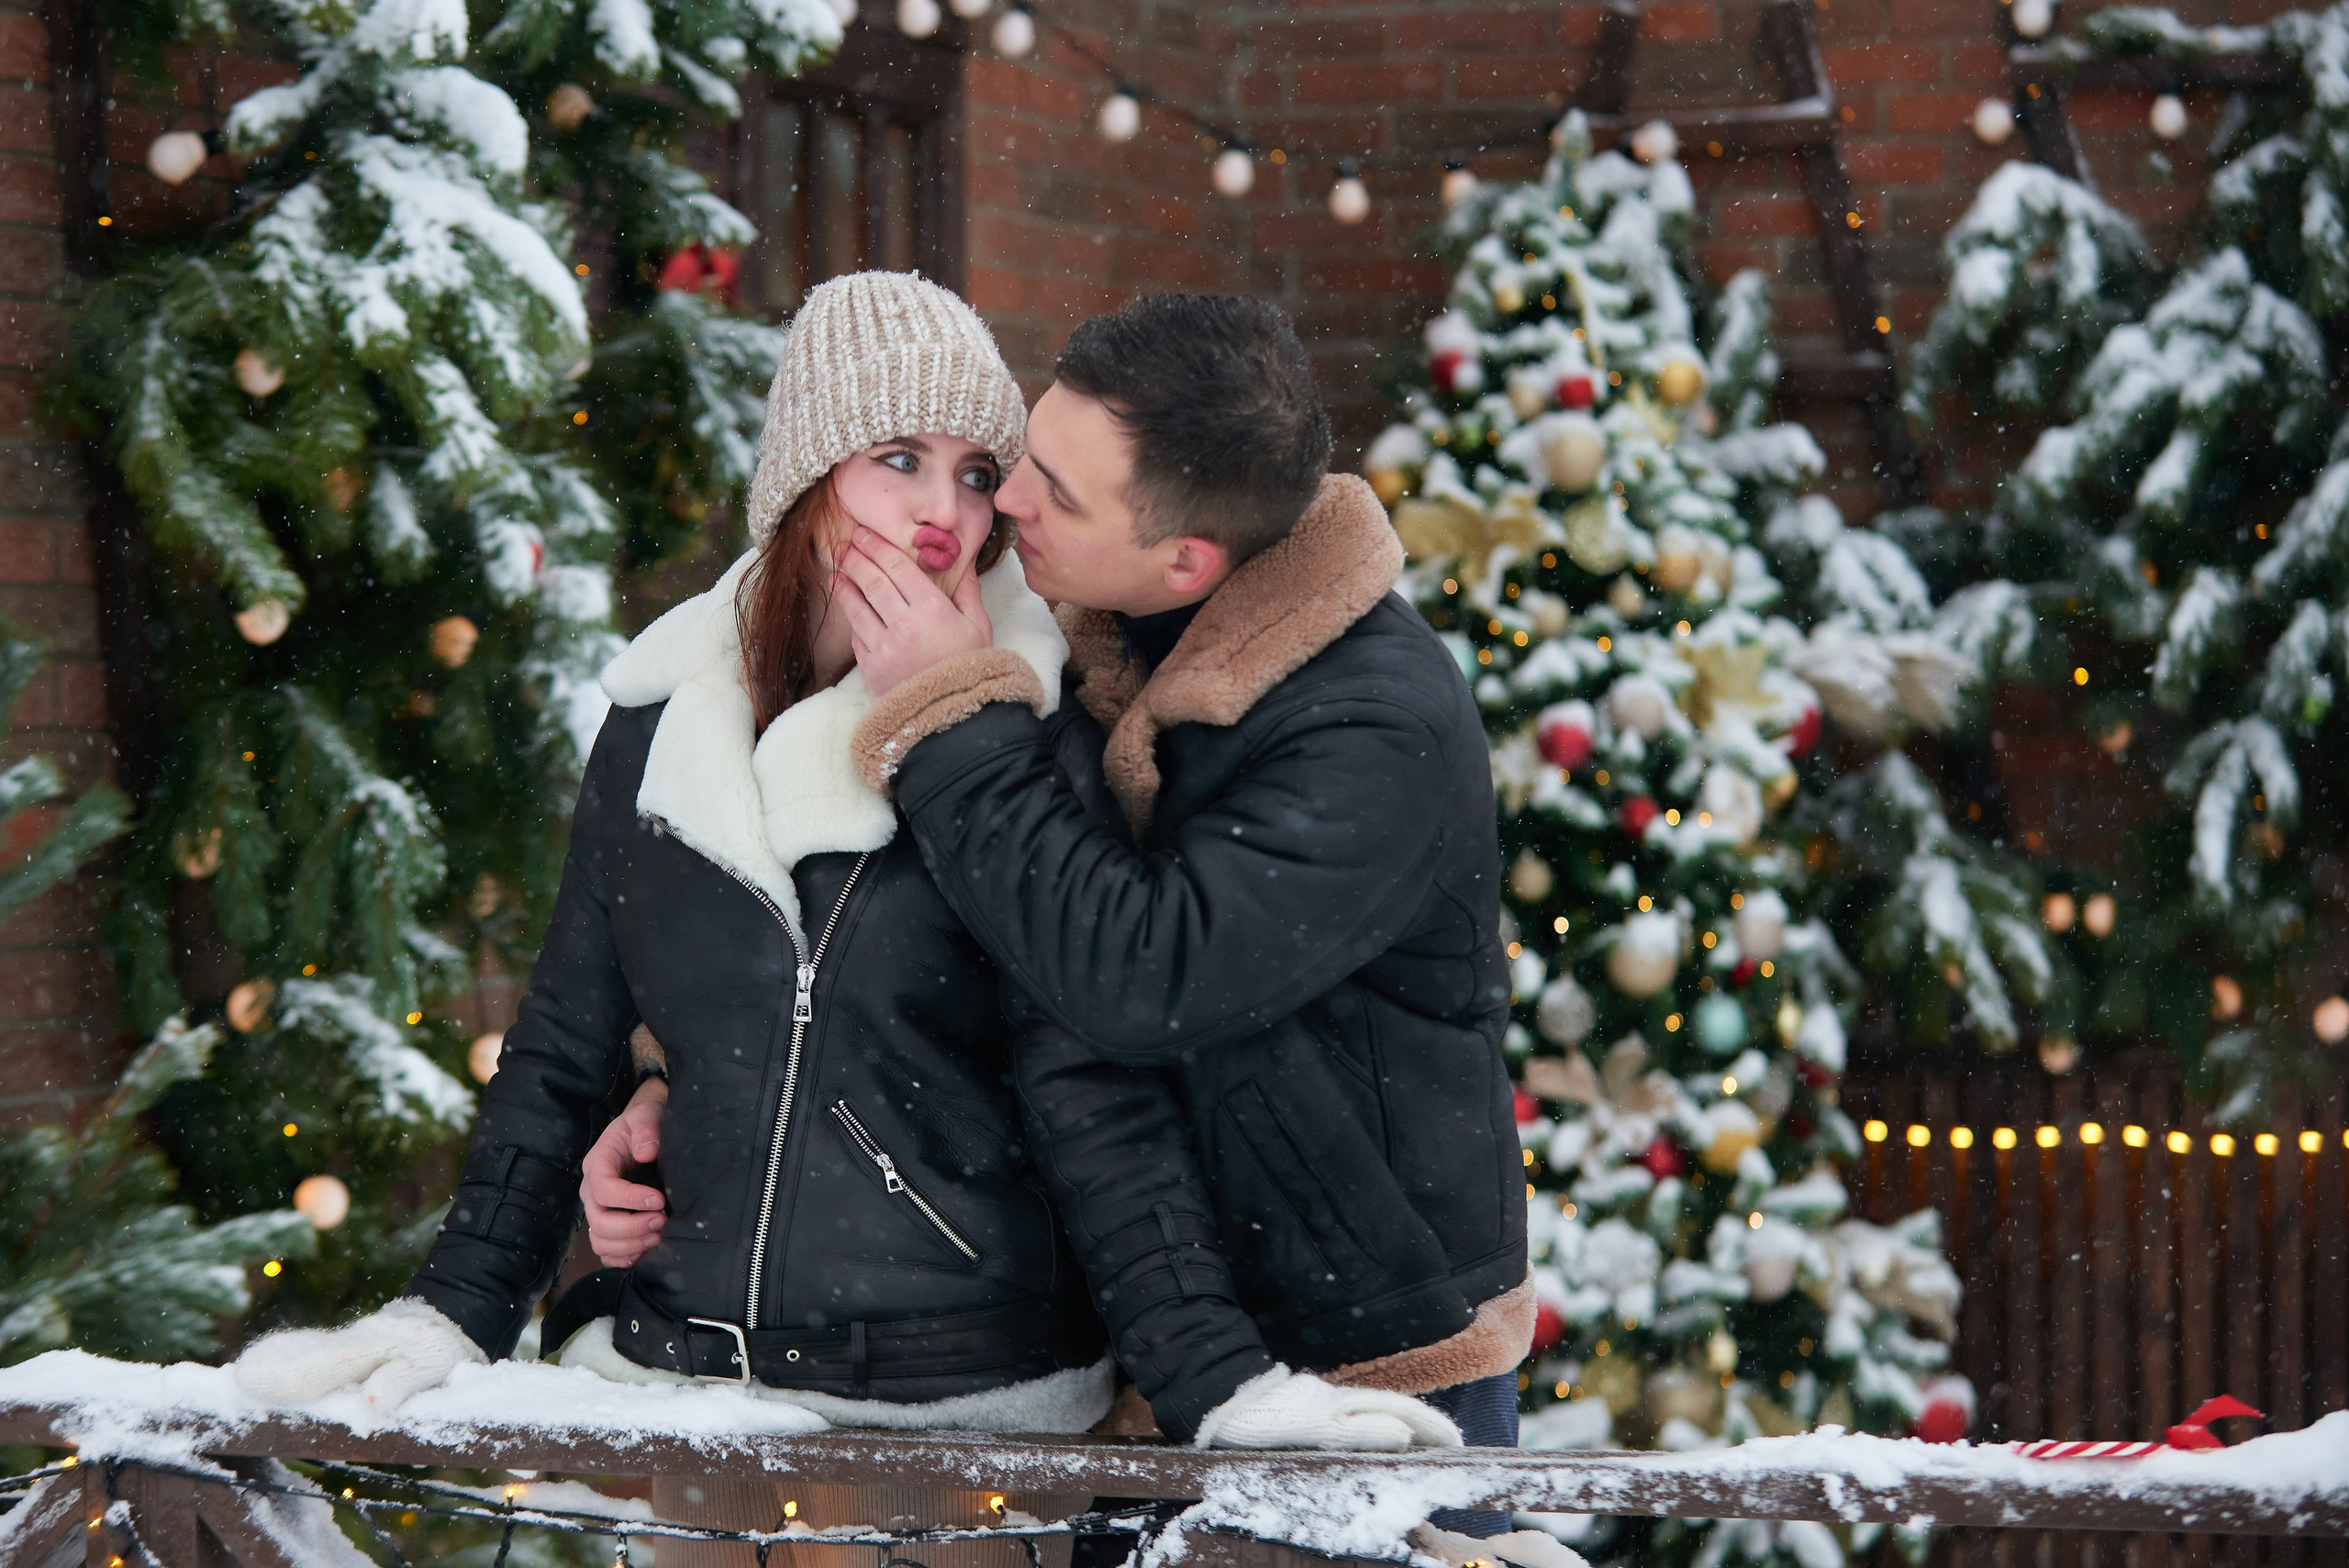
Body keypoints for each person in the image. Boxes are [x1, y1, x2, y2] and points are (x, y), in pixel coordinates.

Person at [228, 278, 1452, 1563]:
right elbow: (563, 1041)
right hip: (691, 1415)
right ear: (811, 468)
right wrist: (453, 1312)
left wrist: (1218, 1384)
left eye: (981, 471)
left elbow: (1096, 1089)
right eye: (898, 458)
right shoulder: (658, 723)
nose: (946, 510)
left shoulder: (1014, 729)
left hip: (955, 1434)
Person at [828, 295, 1559, 1568]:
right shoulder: (1083, 625)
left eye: (1050, 489)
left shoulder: (1374, 728)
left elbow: (1138, 974)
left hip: (1364, 1361)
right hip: (1149, 1339)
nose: (1002, 509)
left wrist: (952, 720)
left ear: (1188, 563)